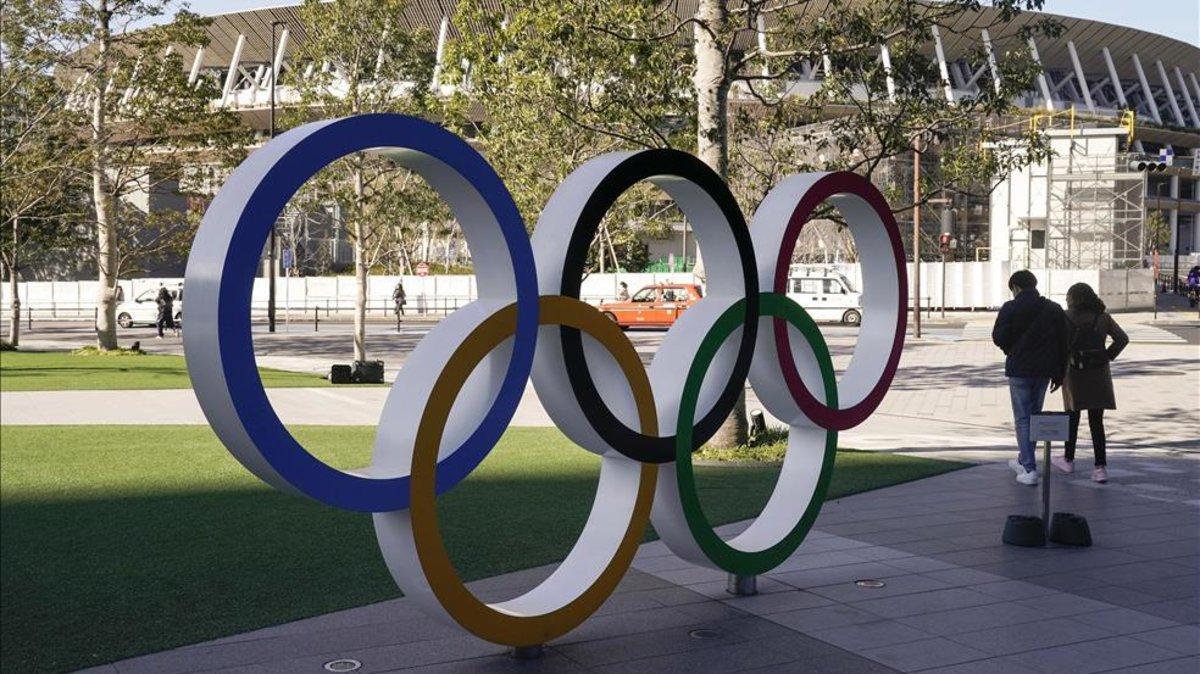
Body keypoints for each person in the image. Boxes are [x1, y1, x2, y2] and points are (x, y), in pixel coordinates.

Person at [992, 270, 1069, 485]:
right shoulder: (1053, 309)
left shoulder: (1010, 308)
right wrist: (1060, 372)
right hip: (1044, 370)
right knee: (1034, 416)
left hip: (1019, 369)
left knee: (1023, 418)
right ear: (1034, 285)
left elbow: (998, 337)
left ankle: (1029, 468)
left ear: (1015, 287)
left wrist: (1011, 348)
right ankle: (1024, 458)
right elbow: (1064, 342)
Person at [1051, 283, 1128, 484]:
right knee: (1097, 422)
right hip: (1099, 373)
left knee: (1072, 417)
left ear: (1073, 298)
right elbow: (1122, 338)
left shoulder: (1065, 317)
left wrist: (1056, 371)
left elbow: (1058, 345)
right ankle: (1100, 468)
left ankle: (1068, 459)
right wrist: (1106, 356)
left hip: (1073, 372)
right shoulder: (1102, 317)